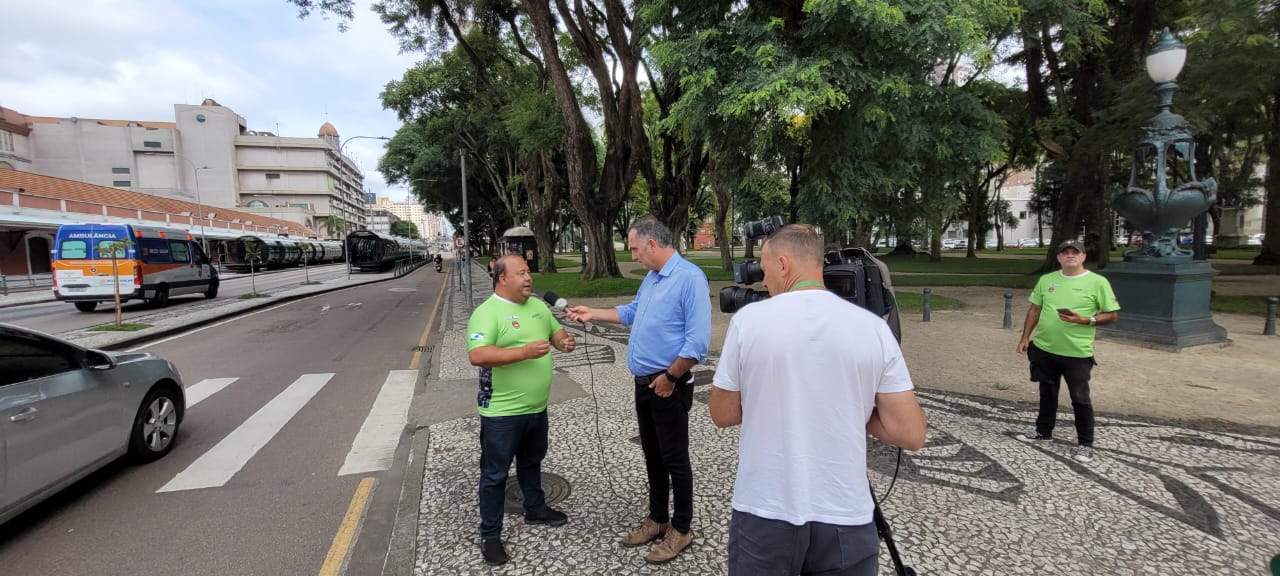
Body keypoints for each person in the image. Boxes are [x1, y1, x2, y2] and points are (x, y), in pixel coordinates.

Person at [708, 224, 927, 576]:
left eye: (764, 271)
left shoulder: (748, 322)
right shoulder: (873, 328)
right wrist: (852, 405)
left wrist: (769, 396)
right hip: (845, 516)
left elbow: (722, 412)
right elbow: (911, 433)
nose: (763, 282)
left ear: (783, 264)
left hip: (765, 508)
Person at [564, 215, 711, 564]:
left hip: (667, 385)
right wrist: (592, 313)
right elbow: (632, 312)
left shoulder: (689, 278)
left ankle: (681, 527)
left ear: (652, 244)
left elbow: (698, 343)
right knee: (652, 456)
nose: (632, 256)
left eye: (633, 248)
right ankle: (658, 519)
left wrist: (671, 377)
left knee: (675, 459)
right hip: (644, 384)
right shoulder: (652, 278)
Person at [466, 255, 577, 565]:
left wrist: (564, 342)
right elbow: (478, 355)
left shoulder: (539, 307)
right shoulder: (486, 313)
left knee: (532, 462)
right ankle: (490, 535)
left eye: (529, 271)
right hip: (501, 413)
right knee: (494, 475)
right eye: (521, 273)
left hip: (536, 408)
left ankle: (535, 508)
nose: (528, 277)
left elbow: (556, 335)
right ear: (502, 279)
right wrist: (524, 352)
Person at [1016, 239, 1121, 463]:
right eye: (1066, 252)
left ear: (1083, 256)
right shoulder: (1047, 280)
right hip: (1045, 348)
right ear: (1059, 257)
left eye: (1075, 252)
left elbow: (1112, 314)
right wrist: (1025, 337)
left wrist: (1087, 320)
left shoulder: (1097, 282)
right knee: (1047, 392)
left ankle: (1085, 443)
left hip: (1076, 352)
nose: (1070, 255)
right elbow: (1035, 309)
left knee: (1080, 397)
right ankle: (1043, 432)